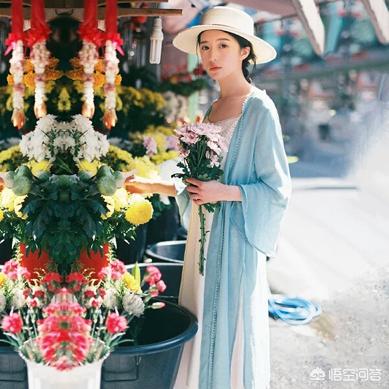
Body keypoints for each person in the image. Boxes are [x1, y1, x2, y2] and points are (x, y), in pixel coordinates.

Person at [125, 6, 292, 389]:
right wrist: (155, 186)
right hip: (202, 238)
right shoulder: (213, 108)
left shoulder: (260, 110)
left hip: (235, 242)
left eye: (222, 45)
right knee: (202, 314)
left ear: (244, 51)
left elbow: (278, 188)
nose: (212, 56)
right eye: (204, 47)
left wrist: (227, 192)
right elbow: (200, 183)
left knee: (230, 323)